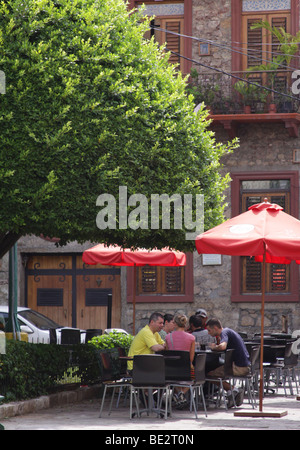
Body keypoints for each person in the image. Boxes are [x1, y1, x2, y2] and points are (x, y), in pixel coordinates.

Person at [206, 318, 250, 407]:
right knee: (214, 372)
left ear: (215, 327)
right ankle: (232, 392)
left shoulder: (224, 332)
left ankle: (234, 390)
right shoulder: (229, 331)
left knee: (209, 375)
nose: (208, 333)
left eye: (209, 330)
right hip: (245, 365)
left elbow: (222, 347)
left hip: (239, 367)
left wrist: (214, 347)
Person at [165, 313, 195, 408]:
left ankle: (178, 394)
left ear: (175, 324)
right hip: (186, 370)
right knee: (194, 377)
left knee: (175, 379)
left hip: (171, 371)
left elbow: (167, 354)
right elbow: (191, 358)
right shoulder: (192, 338)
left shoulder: (168, 337)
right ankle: (181, 393)